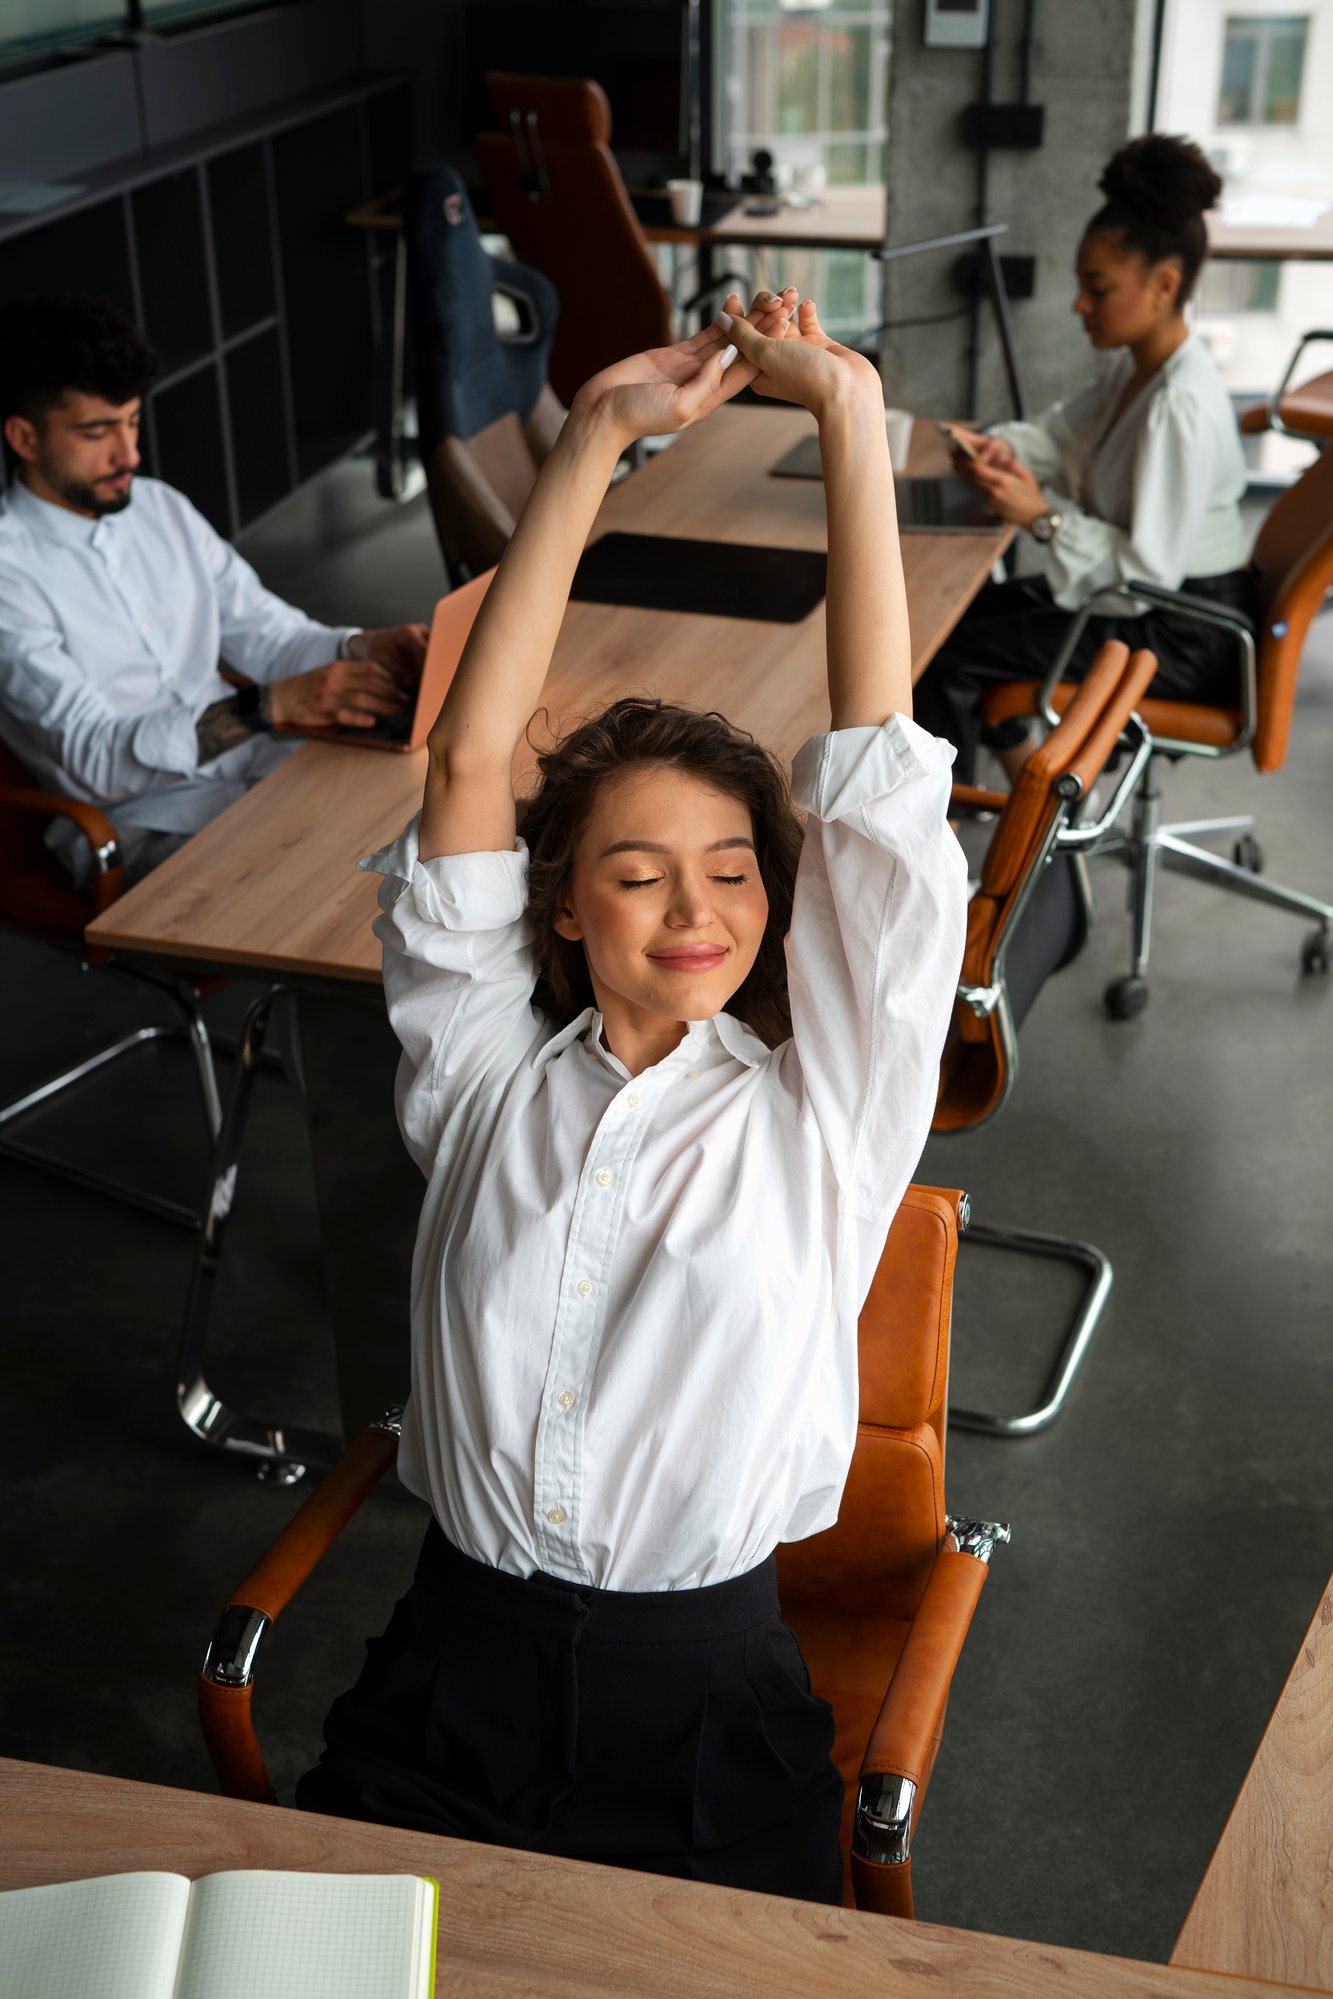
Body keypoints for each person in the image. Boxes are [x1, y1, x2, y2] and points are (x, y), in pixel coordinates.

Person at [294, 288, 968, 1905]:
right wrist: (590, 439)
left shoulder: (826, 1113)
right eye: (638, 870)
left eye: (731, 869)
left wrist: (846, 420)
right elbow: (465, 768)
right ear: (563, 906)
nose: (695, 908)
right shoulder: (477, 1075)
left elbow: (874, 760)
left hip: (706, 1690)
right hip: (449, 1662)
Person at [0, 294, 429, 888]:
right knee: (358, 892)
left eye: (131, 421)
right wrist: (266, 707)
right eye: (97, 433)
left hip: (253, 770)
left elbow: (269, 637)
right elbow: (97, 760)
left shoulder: (159, 508)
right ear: (24, 438)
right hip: (140, 826)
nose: (129, 454)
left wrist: (360, 648)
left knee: (430, 826)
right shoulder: (9, 575)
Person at [913, 134, 1255, 787]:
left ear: (1163, 285)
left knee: (947, 656)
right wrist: (1000, 449)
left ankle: (945, 847)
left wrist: (1041, 519)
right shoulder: (1136, 368)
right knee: (954, 620)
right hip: (1155, 609)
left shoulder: (1177, 406)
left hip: (1181, 632)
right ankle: (1034, 804)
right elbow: (1062, 435)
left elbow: (1144, 575)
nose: (1079, 305)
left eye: (1096, 289)